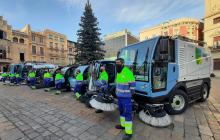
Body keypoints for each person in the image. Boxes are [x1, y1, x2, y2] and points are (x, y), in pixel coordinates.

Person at [115, 58, 135, 140]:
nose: (117, 64)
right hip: (119, 97)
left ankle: (129, 132)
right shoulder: (118, 72)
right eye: (116, 63)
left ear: (122, 63)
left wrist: (131, 94)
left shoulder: (127, 72)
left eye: (118, 63)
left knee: (127, 113)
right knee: (121, 111)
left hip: (126, 97)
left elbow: (132, 84)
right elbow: (118, 84)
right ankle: (123, 125)